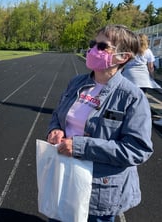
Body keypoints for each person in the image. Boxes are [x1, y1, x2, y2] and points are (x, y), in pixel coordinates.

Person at [46, 25, 153, 222]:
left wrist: (80, 146)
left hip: (99, 190)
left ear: (123, 57)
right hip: (65, 174)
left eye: (102, 46)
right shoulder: (76, 83)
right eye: (92, 44)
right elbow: (58, 114)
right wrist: (55, 129)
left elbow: (138, 150)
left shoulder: (132, 97)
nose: (93, 49)